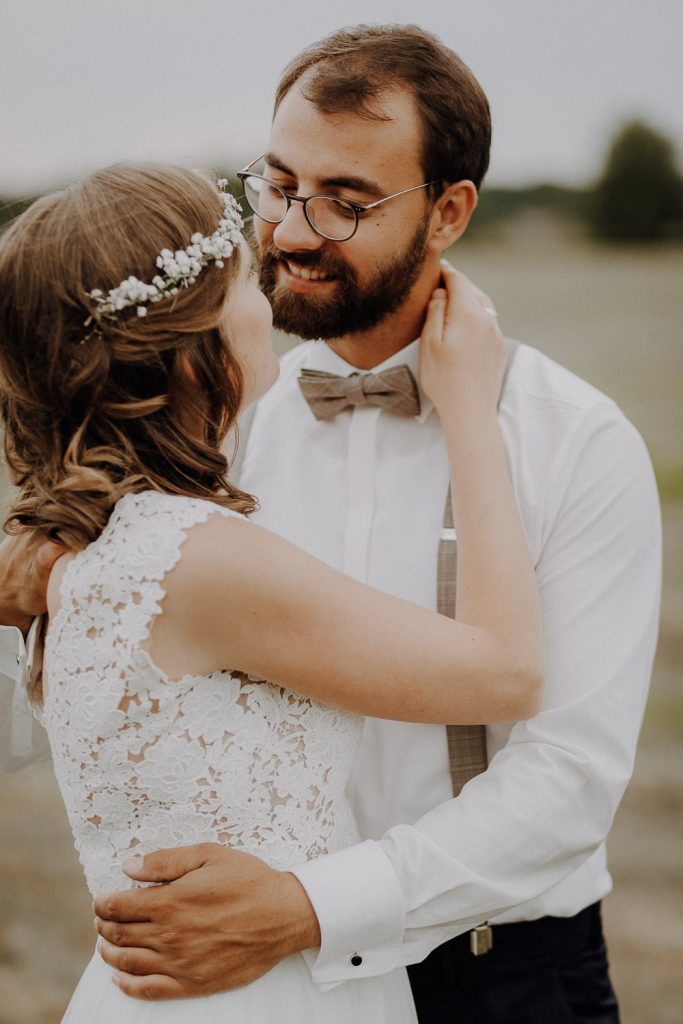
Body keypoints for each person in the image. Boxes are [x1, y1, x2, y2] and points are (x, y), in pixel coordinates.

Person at [0, 23, 661, 1024]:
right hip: (237, 975)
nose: (293, 229)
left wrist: (312, 907)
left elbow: (567, 778)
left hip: (504, 973)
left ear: (447, 211)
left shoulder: (573, 440)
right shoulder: (198, 423)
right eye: (277, 186)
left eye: (346, 201)